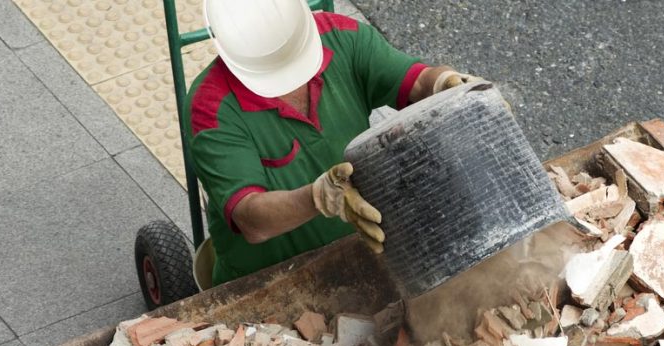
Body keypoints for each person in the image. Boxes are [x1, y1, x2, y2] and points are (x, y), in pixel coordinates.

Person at [188, 0, 484, 286]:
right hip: (267, 279)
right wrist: (319, 197)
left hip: (362, 250)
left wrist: (443, 82)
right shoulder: (211, 107)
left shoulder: (342, 37)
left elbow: (416, 82)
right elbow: (252, 219)